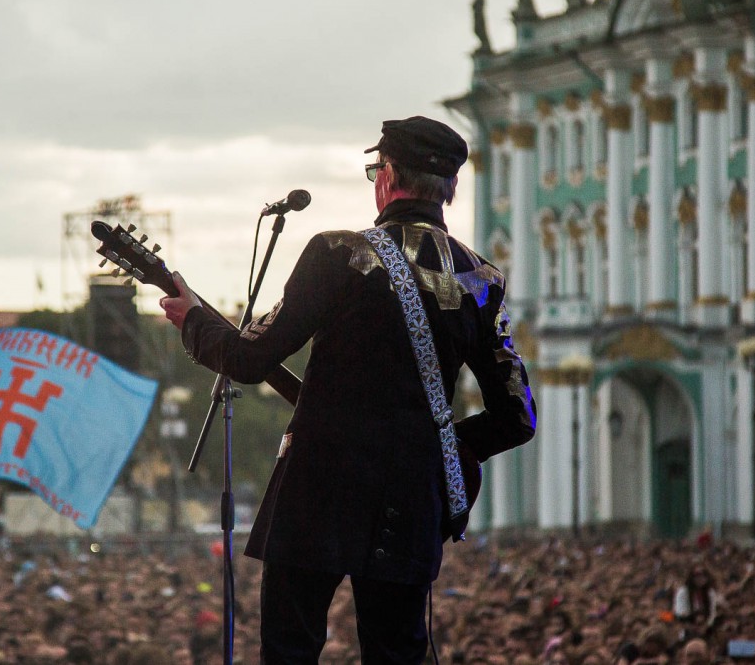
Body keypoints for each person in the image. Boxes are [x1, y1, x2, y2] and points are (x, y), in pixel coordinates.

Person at [159, 116, 537, 663]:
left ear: (387, 176)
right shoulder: (481, 280)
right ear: (450, 188)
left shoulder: (339, 254)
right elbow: (517, 415)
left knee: (291, 648)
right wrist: (438, 452)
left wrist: (193, 320)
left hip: (318, 490)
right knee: (398, 652)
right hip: (411, 503)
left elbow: (248, 358)